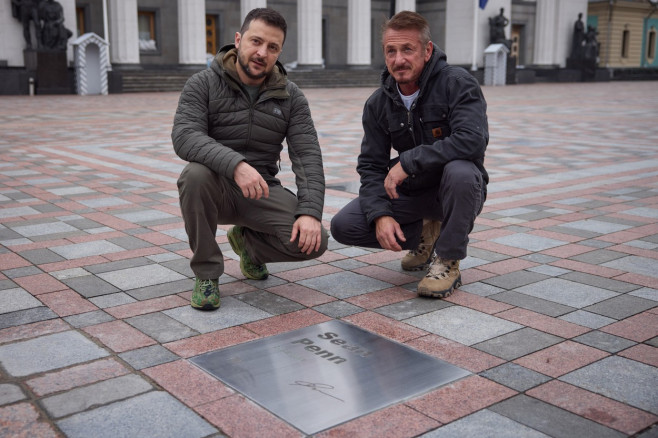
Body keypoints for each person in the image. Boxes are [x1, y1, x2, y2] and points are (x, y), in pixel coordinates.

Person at [172, 8, 328, 310]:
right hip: (215, 187)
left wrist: (310, 211)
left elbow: (307, 154)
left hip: (262, 190)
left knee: (315, 240)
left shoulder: (290, 96)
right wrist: (236, 165)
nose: (262, 52)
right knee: (193, 175)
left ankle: (249, 246)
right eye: (256, 41)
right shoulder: (202, 84)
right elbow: (185, 136)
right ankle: (206, 274)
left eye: (273, 47)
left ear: (280, 51)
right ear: (238, 39)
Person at [330, 11, 488, 299]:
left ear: (427, 51)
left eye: (407, 49)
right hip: (414, 191)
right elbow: (371, 166)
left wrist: (408, 161)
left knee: (461, 171)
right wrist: (380, 216)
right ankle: (424, 234)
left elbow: (472, 141)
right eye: (391, 51)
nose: (398, 59)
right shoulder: (379, 103)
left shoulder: (457, 83)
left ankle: (448, 259)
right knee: (344, 226)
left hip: (455, 192)